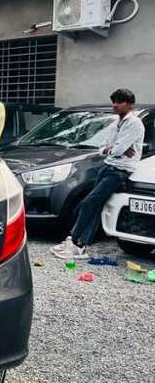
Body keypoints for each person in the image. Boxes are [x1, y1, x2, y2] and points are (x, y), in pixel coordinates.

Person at [51, 88, 145, 261]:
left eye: (119, 102)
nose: (115, 105)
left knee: (89, 202)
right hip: (108, 167)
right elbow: (102, 148)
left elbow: (118, 150)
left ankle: (76, 241)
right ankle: (79, 244)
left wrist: (115, 148)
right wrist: (113, 148)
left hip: (120, 171)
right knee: (94, 205)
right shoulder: (115, 123)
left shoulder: (135, 123)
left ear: (129, 105)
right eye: (113, 101)